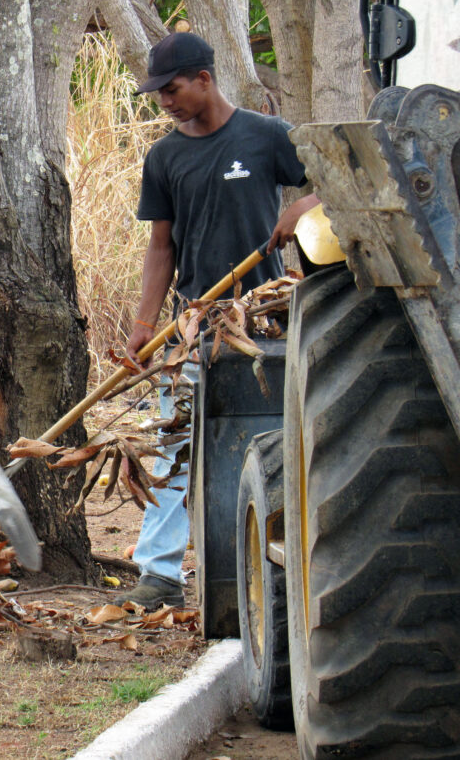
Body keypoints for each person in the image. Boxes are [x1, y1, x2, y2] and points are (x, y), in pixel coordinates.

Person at [114, 32, 318, 610]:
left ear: (205, 78)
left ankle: (265, 568)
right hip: (193, 324)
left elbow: (327, 185)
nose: (166, 102)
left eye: (172, 88)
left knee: (262, 443)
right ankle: (158, 577)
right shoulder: (165, 157)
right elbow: (161, 246)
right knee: (173, 445)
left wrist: (304, 205)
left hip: (263, 325)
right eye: (157, 94)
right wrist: (143, 323)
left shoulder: (264, 136)